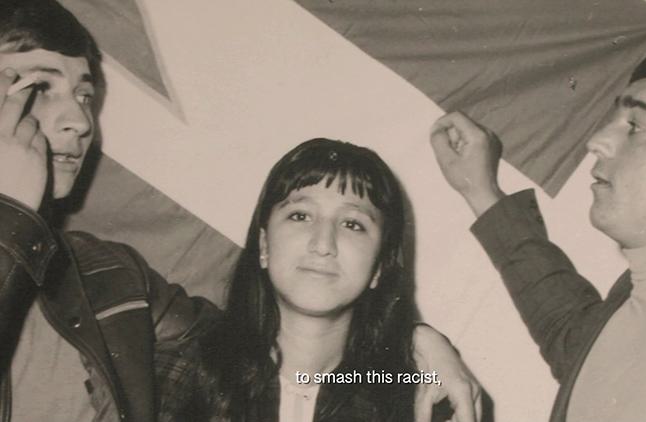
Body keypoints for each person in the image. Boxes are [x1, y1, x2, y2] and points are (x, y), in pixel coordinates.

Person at [0, 1, 480, 421]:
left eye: (85, 96)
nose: (80, 120)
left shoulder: (105, 276)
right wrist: (11, 219)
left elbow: (252, 345)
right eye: (41, 87)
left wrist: (409, 345)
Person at [430, 48, 646, 422]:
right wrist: (480, 190)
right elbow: (559, 316)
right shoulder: (622, 314)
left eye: (635, 126)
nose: (597, 140)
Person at [160, 138, 463, 421]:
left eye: (352, 224)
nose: (322, 244)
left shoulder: (423, 400)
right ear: (264, 245)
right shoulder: (175, 376)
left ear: (379, 268)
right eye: (301, 216)